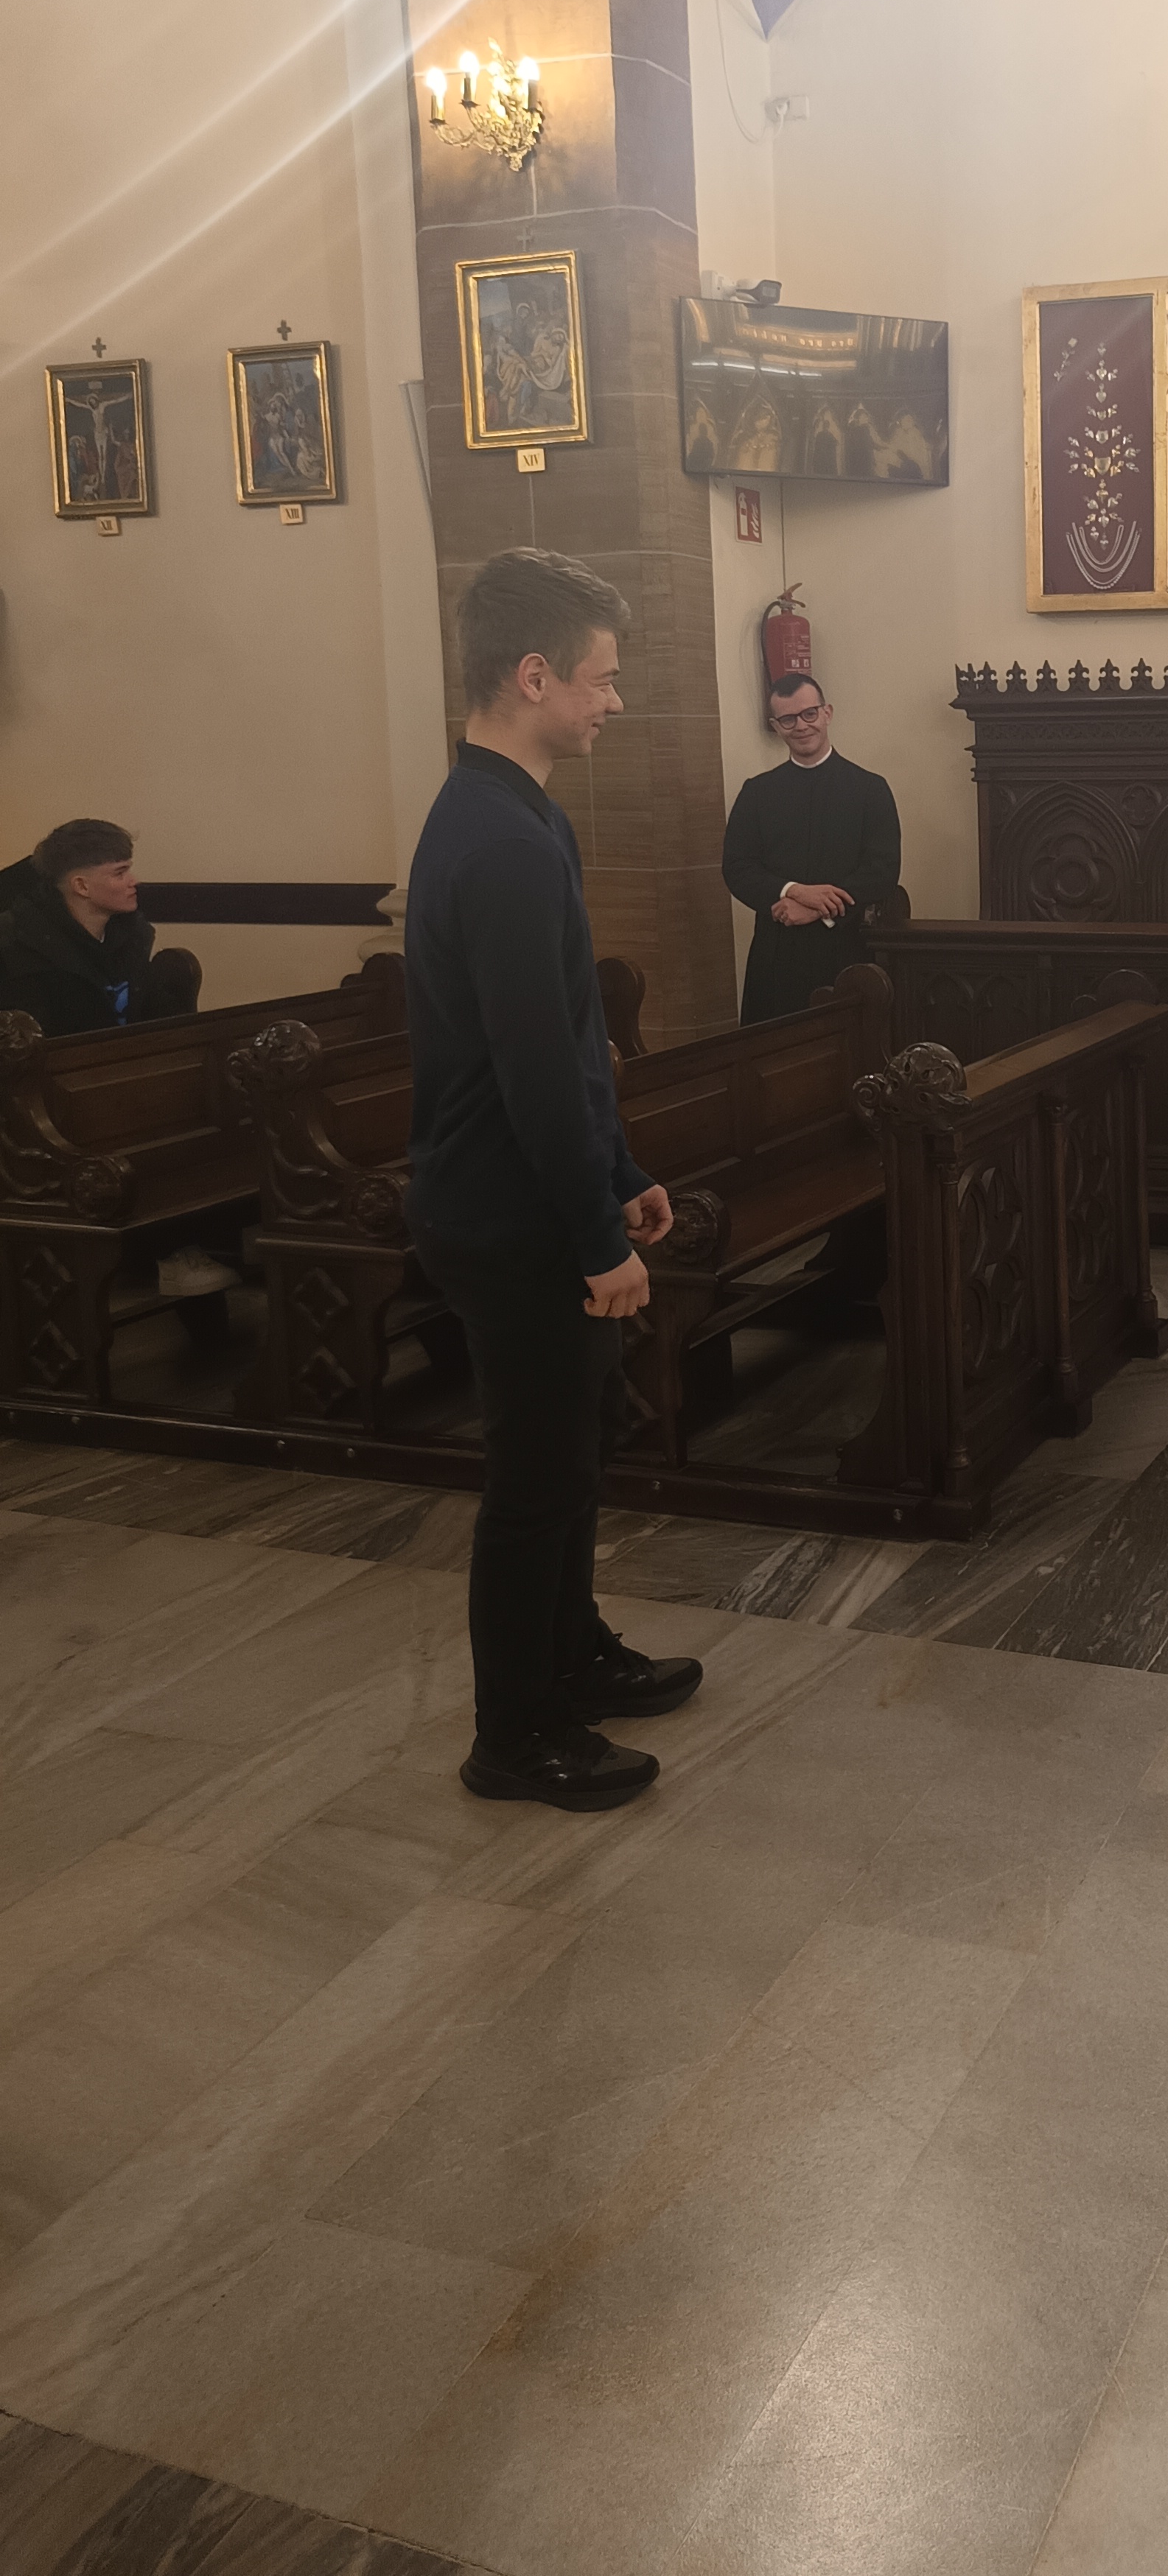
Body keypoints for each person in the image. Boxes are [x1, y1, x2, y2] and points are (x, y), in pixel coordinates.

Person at [405, 547, 702, 1816]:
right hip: (508, 1211)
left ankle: (569, 1653)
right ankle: (517, 1734)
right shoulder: (502, 839)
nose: (614, 702)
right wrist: (594, 1235)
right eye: (601, 679)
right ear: (533, 677)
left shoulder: (518, 815)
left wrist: (619, 1170)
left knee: (571, 1453)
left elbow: (572, 1041)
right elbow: (530, 1073)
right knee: (534, 1480)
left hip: (530, 1194)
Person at [721, 672, 903, 1024]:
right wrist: (793, 891)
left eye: (809, 714)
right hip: (777, 952)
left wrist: (819, 910)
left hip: (846, 952)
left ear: (827, 713)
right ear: (776, 726)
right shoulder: (757, 792)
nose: (801, 726)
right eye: (788, 719)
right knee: (773, 1050)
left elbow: (882, 871)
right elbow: (738, 867)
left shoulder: (870, 789)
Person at [0, 821, 201, 1037]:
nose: (134, 881)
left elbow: (152, 1022)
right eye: (120, 873)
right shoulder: (19, 952)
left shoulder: (133, 934)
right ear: (81, 886)